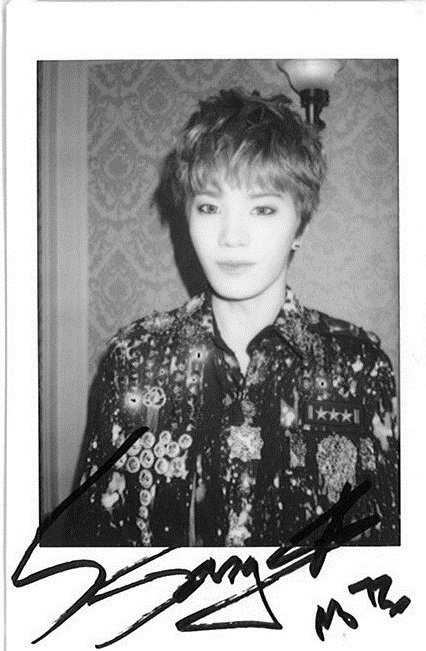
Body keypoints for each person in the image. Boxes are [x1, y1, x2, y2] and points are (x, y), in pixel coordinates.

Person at [63, 88, 399, 547]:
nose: (231, 237)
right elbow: (92, 550)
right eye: (209, 207)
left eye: (262, 208)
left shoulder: (359, 369)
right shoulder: (133, 361)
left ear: (300, 225)